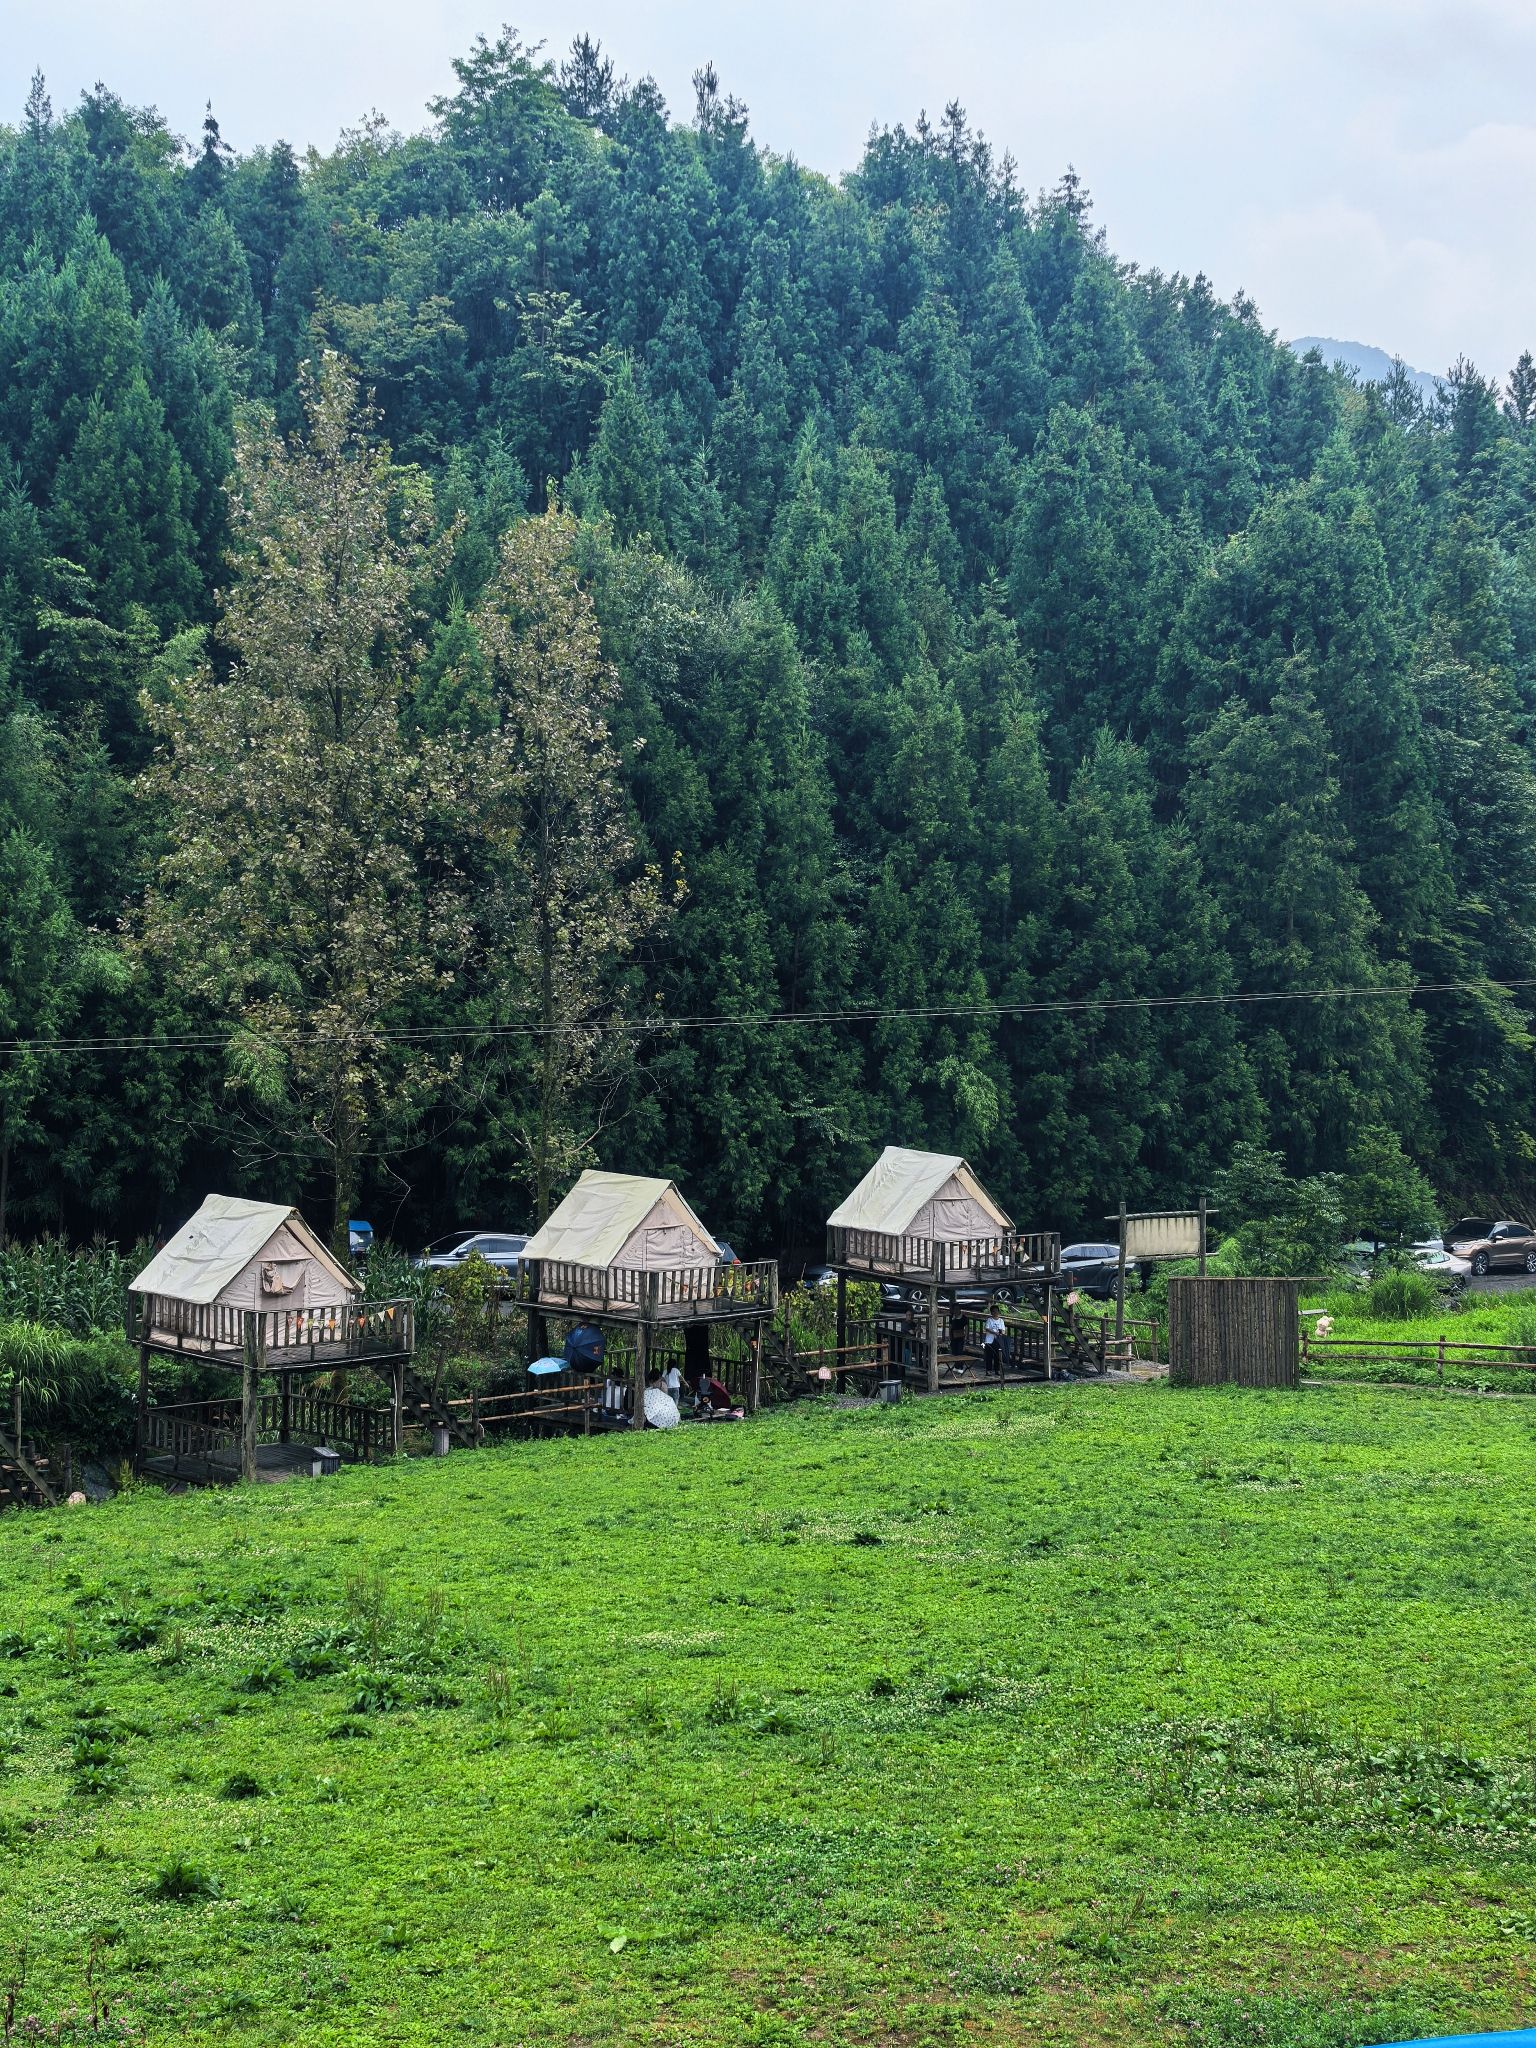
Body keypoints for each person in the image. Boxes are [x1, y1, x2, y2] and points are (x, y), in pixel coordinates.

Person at [642, 1365, 680, 1429]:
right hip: (657, 1404)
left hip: (659, 1404)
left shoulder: (660, 1385)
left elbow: (662, 1397)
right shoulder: (659, 1383)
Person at [594, 1363, 630, 1429]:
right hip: (617, 1412)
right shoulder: (625, 1390)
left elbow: (607, 1381)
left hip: (607, 1412)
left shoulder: (608, 1387)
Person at [983, 1302, 1009, 1378]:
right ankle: (988, 1370)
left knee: (998, 1356)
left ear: (998, 1311)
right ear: (991, 1312)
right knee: (989, 1356)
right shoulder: (989, 1320)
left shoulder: (1001, 1320)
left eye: (996, 1311)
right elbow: (987, 1328)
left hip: (998, 1340)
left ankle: (997, 1370)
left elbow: (1003, 1330)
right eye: (993, 1311)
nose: (995, 1312)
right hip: (989, 1340)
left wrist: (1001, 1333)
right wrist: (995, 1332)